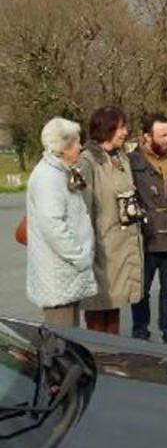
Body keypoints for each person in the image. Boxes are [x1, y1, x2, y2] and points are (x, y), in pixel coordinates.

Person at [78, 106, 143, 335]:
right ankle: (100, 356)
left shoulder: (121, 159)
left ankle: (113, 355)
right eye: (121, 127)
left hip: (120, 250)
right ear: (107, 128)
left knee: (114, 309)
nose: (125, 132)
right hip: (99, 253)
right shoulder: (87, 162)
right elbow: (81, 211)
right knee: (97, 314)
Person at [129, 113, 167, 346]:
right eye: (162, 135)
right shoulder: (132, 162)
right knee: (141, 291)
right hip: (146, 240)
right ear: (147, 136)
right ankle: (140, 333)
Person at [26, 117, 96, 326]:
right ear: (63, 148)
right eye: (76, 143)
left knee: (69, 333)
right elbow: (53, 227)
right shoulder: (48, 178)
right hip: (59, 273)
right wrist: (80, 257)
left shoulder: (59, 171)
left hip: (67, 271)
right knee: (60, 335)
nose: (80, 147)